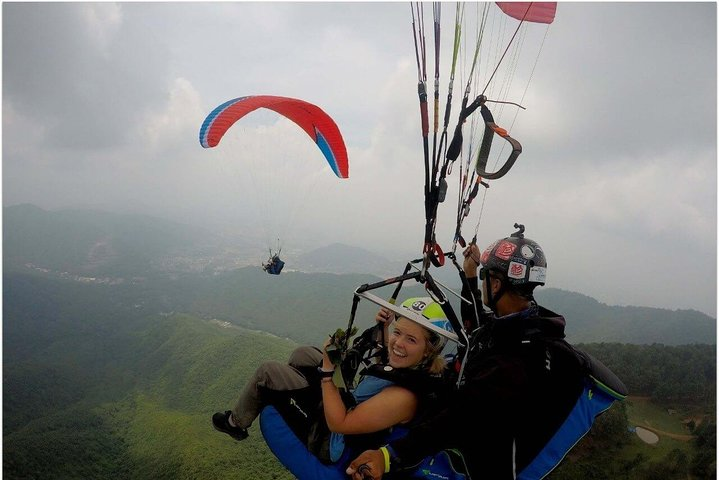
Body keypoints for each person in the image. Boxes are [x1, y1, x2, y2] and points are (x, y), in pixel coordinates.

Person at [347, 224, 625, 480]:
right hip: (470, 414)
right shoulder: (525, 326)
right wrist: (470, 275)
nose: (482, 285)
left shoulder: (515, 363)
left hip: (473, 460)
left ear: (495, 285)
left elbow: (459, 417)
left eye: (485, 279)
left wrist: (388, 456)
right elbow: (480, 330)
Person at [212, 297, 453, 472]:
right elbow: (385, 372)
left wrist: (328, 372)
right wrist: (384, 328)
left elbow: (340, 423)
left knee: (268, 372)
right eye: (398, 333)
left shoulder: (404, 397)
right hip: (348, 401)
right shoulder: (412, 369)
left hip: (333, 437)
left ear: (428, 351)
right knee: (303, 354)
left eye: (410, 339)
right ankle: (297, 383)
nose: (398, 343)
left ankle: (236, 423)